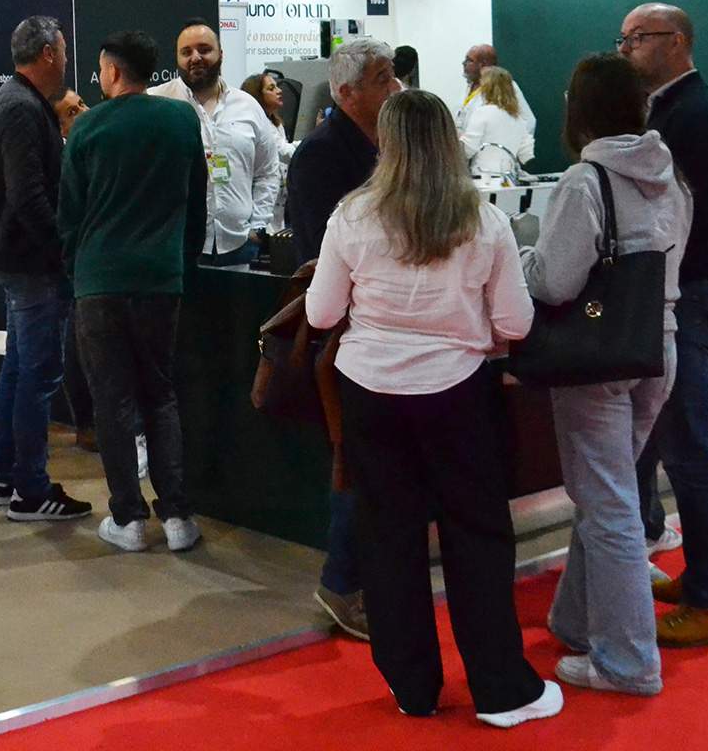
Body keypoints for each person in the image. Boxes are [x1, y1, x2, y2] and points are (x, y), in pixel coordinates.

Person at [306, 91, 561, 729]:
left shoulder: (352, 216)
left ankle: (413, 687)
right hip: (458, 393)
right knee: (477, 535)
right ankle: (500, 689)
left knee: (387, 539)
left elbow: (321, 313)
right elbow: (516, 322)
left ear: (386, 144)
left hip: (370, 393)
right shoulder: (483, 220)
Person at [522, 54, 687, 698]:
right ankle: (576, 621)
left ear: (579, 109)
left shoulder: (584, 180)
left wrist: (523, 256)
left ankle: (627, 662)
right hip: (658, 344)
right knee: (610, 496)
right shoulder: (668, 174)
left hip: (598, 355)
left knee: (609, 504)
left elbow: (556, 282)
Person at [618, 2, 708, 648]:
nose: (627, 49)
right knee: (674, 446)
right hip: (686, 290)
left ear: (677, 41)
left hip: (686, 293)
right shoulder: (678, 108)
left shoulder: (690, 114)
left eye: (638, 38)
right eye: (624, 39)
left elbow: (672, 216)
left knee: (687, 451)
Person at [60, 29, 207, 554]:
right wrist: (181, 263)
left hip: (99, 281)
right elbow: (196, 202)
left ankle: (128, 518)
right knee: (160, 394)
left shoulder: (87, 126)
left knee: (113, 401)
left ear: (113, 71)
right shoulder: (182, 119)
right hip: (161, 279)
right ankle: (178, 516)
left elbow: (70, 215)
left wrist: (77, 270)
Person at [286, 37, 402, 640]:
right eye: (383, 78)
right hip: (349, 334)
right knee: (354, 461)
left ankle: (369, 575)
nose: (396, 87)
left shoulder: (392, 146)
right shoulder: (321, 155)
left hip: (390, 330)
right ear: (347, 92)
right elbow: (317, 255)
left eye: (394, 75)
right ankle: (342, 580)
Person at [0, 16, 92, 522]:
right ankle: (31, 491)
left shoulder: (16, 101)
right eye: (63, 51)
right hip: (30, 262)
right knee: (38, 376)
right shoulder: (21, 107)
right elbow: (28, 196)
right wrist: (64, 248)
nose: (67, 59)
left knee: (19, 371)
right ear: (47, 54)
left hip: (19, 258)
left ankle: (8, 480)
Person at [151, 21, 281, 267]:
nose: (195, 57)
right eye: (186, 52)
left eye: (204, 49)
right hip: (175, 248)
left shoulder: (248, 106)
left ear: (221, 54)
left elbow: (267, 171)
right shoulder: (156, 102)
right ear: (177, 58)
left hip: (239, 244)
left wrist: (258, 226)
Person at [53, 88, 95, 449]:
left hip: (94, 265)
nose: (82, 111)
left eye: (80, 103)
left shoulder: (97, 145)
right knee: (78, 352)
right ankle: (86, 426)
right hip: (76, 267)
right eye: (71, 112)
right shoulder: (63, 160)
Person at [241, 72, 296, 233]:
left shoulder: (276, 123)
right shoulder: (258, 125)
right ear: (257, 96)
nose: (279, 91)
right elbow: (283, 152)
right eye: (271, 88)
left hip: (278, 203)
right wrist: (311, 142)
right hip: (260, 204)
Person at [460, 66, 535, 178]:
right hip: (510, 178)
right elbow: (526, 154)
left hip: (483, 177)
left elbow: (468, 150)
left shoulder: (482, 112)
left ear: (487, 88)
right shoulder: (517, 117)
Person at [458, 43, 537, 150]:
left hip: (493, 155)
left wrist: (512, 149)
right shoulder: (469, 85)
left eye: (469, 60)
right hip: (466, 151)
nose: (464, 64)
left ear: (483, 65)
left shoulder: (505, 86)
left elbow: (529, 122)